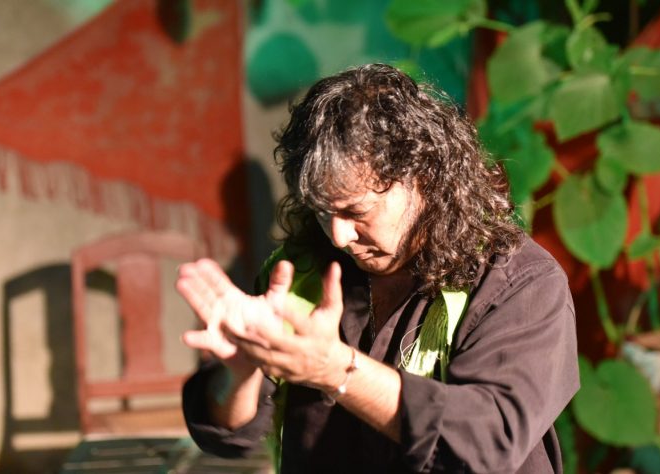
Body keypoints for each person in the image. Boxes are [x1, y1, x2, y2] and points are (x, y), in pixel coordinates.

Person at [176, 63, 579, 473]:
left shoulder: (521, 283)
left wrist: (336, 369)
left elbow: (490, 441)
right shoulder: (301, 272)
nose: (339, 236)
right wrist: (241, 371)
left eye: (357, 211)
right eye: (321, 212)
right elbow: (228, 435)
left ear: (424, 176)